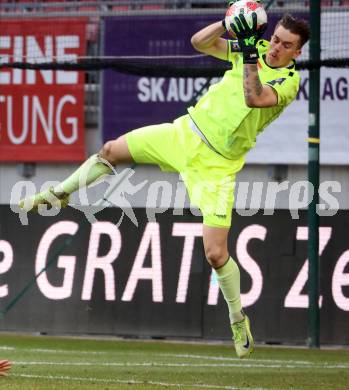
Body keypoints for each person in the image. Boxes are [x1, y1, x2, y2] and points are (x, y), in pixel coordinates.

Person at [20, 3, 310, 358]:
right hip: (183, 134)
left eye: (285, 45)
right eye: (275, 39)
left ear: (298, 51)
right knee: (111, 149)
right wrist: (228, 22)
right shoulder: (256, 48)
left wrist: (249, 49)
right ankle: (59, 194)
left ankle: (237, 318)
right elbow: (199, 43)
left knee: (216, 254)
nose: (276, 47)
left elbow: (253, 96)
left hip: (217, 167)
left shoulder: (289, 81)